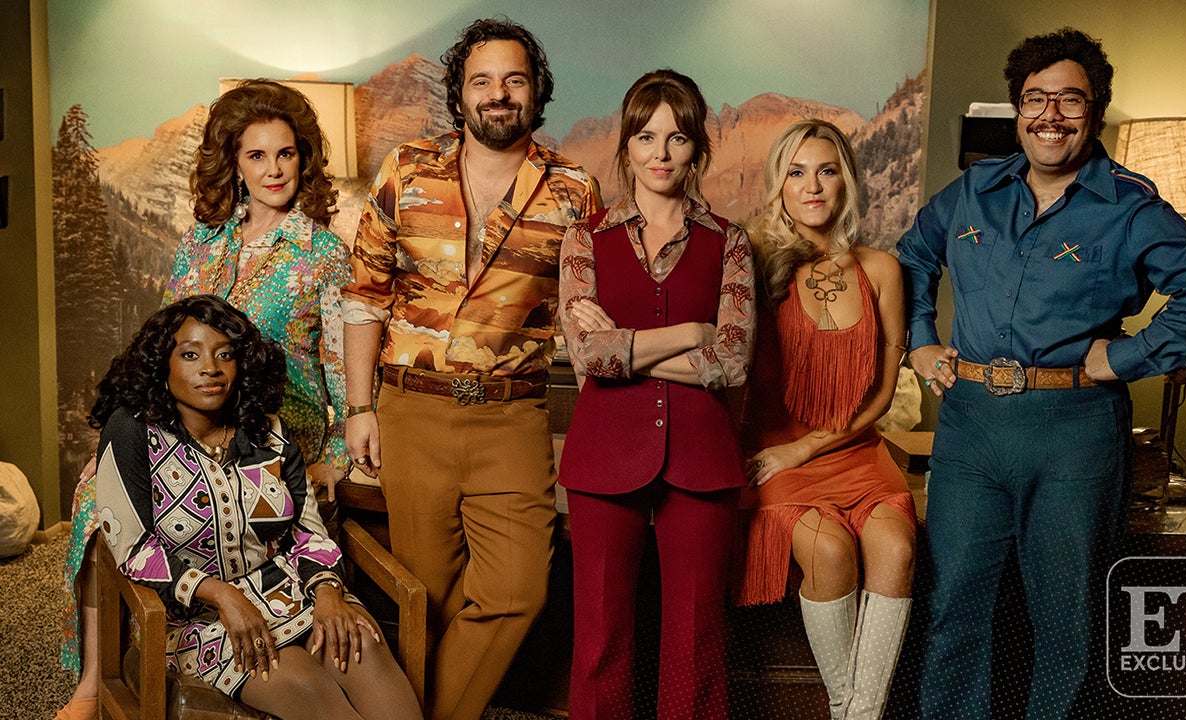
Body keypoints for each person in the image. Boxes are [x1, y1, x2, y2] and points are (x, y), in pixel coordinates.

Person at [896, 27, 1186, 719]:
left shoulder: (1130, 206)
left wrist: (1126, 357)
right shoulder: (974, 191)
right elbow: (911, 257)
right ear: (1018, 108)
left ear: (1095, 111)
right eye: (1035, 98)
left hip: (1075, 435)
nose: (1049, 115)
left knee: (1067, 621)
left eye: (1069, 99)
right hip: (970, 431)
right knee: (953, 607)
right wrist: (920, 341)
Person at [55, 79, 353, 720]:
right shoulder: (202, 242)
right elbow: (165, 343)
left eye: (286, 154)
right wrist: (123, 433)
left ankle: (198, 638)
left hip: (275, 422)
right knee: (94, 494)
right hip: (190, 416)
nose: (274, 170)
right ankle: (95, 679)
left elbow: (340, 364)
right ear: (234, 165)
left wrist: (335, 452)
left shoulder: (323, 253)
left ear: (303, 159)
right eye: (257, 156)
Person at [341, 18, 598, 720]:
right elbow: (364, 296)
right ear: (458, 95)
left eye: (514, 80)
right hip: (411, 410)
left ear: (536, 91)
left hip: (512, 416)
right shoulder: (406, 169)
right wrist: (358, 409)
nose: (498, 94)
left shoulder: (575, 190)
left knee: (518, 590)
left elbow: (590, 309)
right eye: (481, 81)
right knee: (426, 594)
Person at [92, 295, 422, 720]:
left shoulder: (269, 432)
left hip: (292, 594)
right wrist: (221, 594)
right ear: (162, 364)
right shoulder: (132, 431)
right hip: (196, 620)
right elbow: (135, 550)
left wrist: (328, 593)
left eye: (224, 354)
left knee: (363, 648)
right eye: (190, 355)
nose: (210, 368)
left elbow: (308, 532)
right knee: (303, 682)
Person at [557, 68, 756, 720]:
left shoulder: (730, 242)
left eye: (677, 137)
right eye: (646, 137)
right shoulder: (584, 239)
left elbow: (732, 361)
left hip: (702, 459)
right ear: (627, 145)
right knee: (599, 640)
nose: (661, 153)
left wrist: (628, 347)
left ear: (697, 146)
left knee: (698, 643)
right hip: (603, 456)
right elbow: (587, 355)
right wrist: (692, 334)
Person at [737, 119, 914, 720]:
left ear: (847, 182)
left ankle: (852, 715)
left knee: (897, 549)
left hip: (856, 452)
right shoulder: (752, 263)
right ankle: (854, 711)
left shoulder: (881, 269)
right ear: (778, 185)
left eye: (827, 171)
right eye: (796, 172)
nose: (812, 186)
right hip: (775, 454)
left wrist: (808, 447)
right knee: (832, 552)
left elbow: (884, 392)